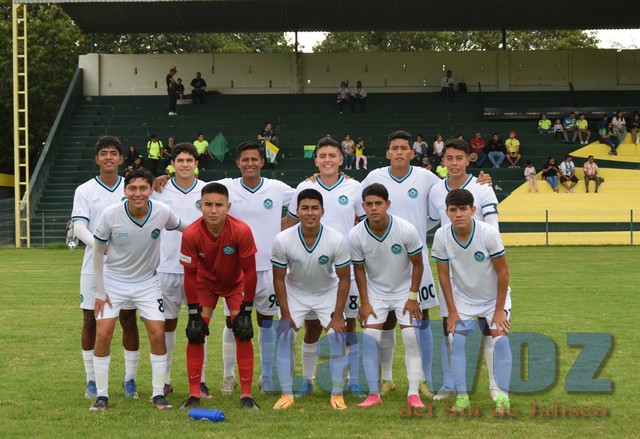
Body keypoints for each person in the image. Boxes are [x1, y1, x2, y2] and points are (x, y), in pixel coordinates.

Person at [90, 169, 189, 411]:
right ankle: (101, 396)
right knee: (103, 333)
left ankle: (158, 395)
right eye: (132, 188)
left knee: (157, 333)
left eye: (143, 188)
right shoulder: (110, 214)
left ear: (151, 190)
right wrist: (100, 291)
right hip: (114, 281)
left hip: (147, 282)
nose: (138, 193)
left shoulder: (161, 211)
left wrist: (213, 226)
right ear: (125, 190)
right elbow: (97, 252)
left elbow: (184, 227)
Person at [282, 137, 366, 397]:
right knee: (312, 328)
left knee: (347, 325)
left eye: (332, 155)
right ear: (316, 160)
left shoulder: (355, 187)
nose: (328, 160)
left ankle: (351, 379)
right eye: (323, 156)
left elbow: (365, 225)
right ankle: (307, 381)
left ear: (341, 159)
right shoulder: (304, 187)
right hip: (311, 271)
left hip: (345, 269)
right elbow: (289, 223)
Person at [214, 141, 295, 395]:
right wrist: (163, 179)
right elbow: (193, 187)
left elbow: (305, 196)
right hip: (235, 269)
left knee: (266, 321)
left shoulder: (277, 188)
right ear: (238, 163)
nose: (250, 163)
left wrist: (282, 225)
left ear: (262, 161)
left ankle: (267, 376)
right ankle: (229, 377)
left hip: (268, 268)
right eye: (245, 160)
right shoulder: (227, 187)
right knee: (232, 322)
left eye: (254, 159)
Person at [427, 139, 501, 402]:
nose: (454, 163)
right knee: (451, 328)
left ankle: (494, 385)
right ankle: (452, 384)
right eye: (449, 158)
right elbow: (432, 222)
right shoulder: (436, 190)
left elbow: (493, 228)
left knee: (488, 327)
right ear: (443, 161)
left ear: (469, 160)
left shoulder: (482, 188)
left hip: (482, 271)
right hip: (453, 270)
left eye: (460, 158)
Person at [71, 136, 141, 401]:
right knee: (91, 319)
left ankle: (130, 379)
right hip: (94, 265)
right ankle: (91, 380)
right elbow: (79, 227)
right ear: (97, 159)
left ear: (121, 159)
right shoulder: (85, 190)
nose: (108, 157)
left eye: (113, 153)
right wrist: (101, 246)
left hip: (127, 267)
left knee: (128, 319)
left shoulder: (133, 187)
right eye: (103, 153)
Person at [179, 182, 260, 411]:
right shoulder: (191, 233)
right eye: (208, 205)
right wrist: (193, 313)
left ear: (228, 207)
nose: (213, 210)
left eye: (219, 205)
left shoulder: (241, 230)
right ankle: (194, 393)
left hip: (235, 284)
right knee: (195, 332)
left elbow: (250, 272)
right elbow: (189, 275)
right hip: (205, 284)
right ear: (200, 206)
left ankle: (246, 395)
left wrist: (246, 310)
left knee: (242, 331)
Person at [431, 188, 512, 415]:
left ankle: (502, 396)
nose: (458, 214)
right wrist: (452, 312)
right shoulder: (442, 236)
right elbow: (443, 275)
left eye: (463, 209)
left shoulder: (488, 233)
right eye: (453, 210)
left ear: (473, 210)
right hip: (464, 298)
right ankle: (462, 397)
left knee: (500, 341)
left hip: (494, 298)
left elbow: (504, 272)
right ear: (447, 212)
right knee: (454, 341)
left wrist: (498, 311)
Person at [272, 189, 351, 411]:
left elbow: (344, 279)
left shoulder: (336, 239)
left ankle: (337, 394)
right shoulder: (282, 239)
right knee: (285, 336)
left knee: (337, 337)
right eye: (305, 208)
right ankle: (287, 393)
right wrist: (285, 315)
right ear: (297, 211)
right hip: (295, 292)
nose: (310, 213)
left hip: (327, 292)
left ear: (322, 211)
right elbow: (278, 279)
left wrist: (338, 315)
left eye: (315, 208)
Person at [349, 183, 425, 409]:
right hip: (376, 292)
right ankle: (374, 393)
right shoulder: (356, 234)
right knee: (370, 338)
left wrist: (412, 297)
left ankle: (413, 394)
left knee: (411, 337)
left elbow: (418, 264)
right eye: (369, 204)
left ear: (387, 204)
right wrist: (365, 302)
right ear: (363, 206)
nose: (373, 208)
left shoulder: (406, 229)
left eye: (378, 203)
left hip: (404, 291)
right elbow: (359, 269)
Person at [151, 143, 209, 398]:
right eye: (180, 160)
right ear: (172, 164)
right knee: (167, 324)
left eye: (189, 160)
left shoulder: (208, 189)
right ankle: (165, 380)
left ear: (196, 163)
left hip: (200, 270)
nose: (185, 164)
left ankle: (201, 381)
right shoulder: (158, 190)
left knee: (200, 325)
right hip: (166, 268)